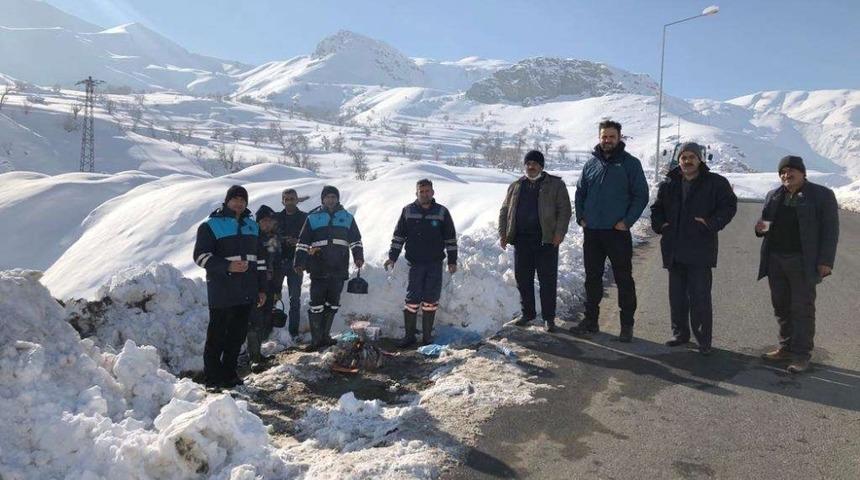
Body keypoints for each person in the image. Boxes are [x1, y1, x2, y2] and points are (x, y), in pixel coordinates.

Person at [650, 142, 737, 355]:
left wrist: (711, 223)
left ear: (700, 159)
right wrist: (661, 225)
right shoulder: (669, 184)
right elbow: (656, 209)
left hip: (700, 248)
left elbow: (729, 206)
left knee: (700, 297)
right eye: (684, 157)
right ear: (679, 160)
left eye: (692, 157)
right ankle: (680, 334)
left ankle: (703, 340)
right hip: (674, 248)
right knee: (677, 296)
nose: (687, 161)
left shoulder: (715, 183)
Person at [756, 155, 839, 373]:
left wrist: (825, 261)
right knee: (781, 306)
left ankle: (801, 355)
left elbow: (831, 231)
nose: (787, 175)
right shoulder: (773, 196)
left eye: (791, 170)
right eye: (782, 172)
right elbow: (765, 224)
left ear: (803, 173)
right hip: (775, 260)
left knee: (802, 308)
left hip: (803, 261)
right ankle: (785, 347)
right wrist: (759, 229)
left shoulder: (821, 195)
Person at [571, 120, 649, 342]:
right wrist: (581, 216)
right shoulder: (590, 164)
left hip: (617, 232)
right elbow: (580, 192)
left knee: (624, 278)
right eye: (604, 136)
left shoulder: (630, 164)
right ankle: (591, 321)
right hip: (593, 232)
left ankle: (626, 325)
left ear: (619, 138)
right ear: (599, 138)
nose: (607, 140)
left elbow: (641, 195)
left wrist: (627, 221)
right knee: (592, 278)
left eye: (611, 137)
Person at [193, 185, 266, 390]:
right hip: (222, 291)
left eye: (242, 199)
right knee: (217, 337)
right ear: (226, 201)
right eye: (234, 199)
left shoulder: (252, 226)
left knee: (236, 337)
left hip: (246, 292)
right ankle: (213, 379)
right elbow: (200, 256)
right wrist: (227, 266)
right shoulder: (210, 225)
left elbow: (260, 260)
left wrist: (261, 289)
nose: (239, 203)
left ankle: (230, 374)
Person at [498, 150, 572, 333]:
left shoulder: (555, 185)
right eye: (528, 163)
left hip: (546, 241)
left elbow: (565, 211)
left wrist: (559, 234)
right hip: (522, 241)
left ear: (541, 166)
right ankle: (528, 313)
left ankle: (549, 318)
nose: (531, 167)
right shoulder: (516, 186)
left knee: (547, 280)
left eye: (535, 163)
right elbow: (504, 210)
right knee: (523, 279)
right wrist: (503, 233)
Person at [385, 178, 458, 347]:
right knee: (412, 299)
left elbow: (450, 238)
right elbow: (398, 236)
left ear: (432, 192)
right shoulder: (408, 211)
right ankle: (409, 336)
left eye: (427, 191)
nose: (424, 194)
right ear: (416, 193)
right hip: (415, 263)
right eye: (421, 191)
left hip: (434, 263)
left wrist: (452, 260)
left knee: (431, 300)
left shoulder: (442, 212)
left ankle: (427, 338)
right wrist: (392, 256)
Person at [293, 185, 364, 352]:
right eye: (327, 197)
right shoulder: (313, 217)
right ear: (322, 199)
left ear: (338, 199)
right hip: (318, 268)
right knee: (316, 303)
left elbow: (356, 240)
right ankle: (316, 340)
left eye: (334, 197)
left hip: (339, 268)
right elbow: (303, 242)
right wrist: (299, 262)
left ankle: (325, 336)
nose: (331, 200)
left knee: (333, 303)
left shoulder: (347, 217)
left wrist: (358, 256)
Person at [246, 205, 283, 373]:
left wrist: (277, 287)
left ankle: (258, 353)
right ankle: (253, 357)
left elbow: (277, 263)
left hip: (270, 285)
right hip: (253, 284)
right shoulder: (251, 237)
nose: (267, 224)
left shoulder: (273, 239)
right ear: (258, 222)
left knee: (265, 318)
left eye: (270, 221)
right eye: (264, 221)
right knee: (254, 319)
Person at [274, 188, 308, 340]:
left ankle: (293, 333)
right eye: (286, 199)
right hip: (278, 263)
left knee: (295, 299)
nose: (289, 201)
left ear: (297, 199)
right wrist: (283, 240)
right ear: (282, 201)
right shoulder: (275, 218)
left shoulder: (304, 218)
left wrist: (297, 242)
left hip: (297, 263)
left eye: (292, 198)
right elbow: (269, 238)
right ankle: (272, 330)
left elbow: (309, 238)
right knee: (273, 297)